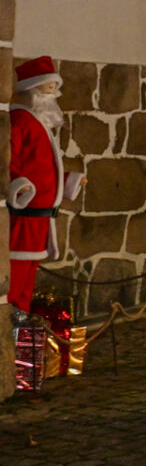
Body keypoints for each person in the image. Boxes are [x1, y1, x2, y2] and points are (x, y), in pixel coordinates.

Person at [8, 57, 85, 311]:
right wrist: (19, 186)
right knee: (14, 281)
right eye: (50, 88)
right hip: (23, 218)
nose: (55, 93)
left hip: (39, 221)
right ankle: (10, 337)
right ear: (34, 89)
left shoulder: (39, 123)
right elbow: (9, 161)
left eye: (55, 87)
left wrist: (69, 181)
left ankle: (20, 339)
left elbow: (42, 171)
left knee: (27, 282)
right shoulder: (20, 121)